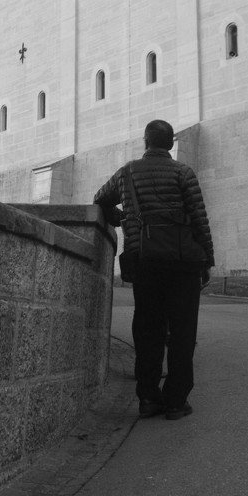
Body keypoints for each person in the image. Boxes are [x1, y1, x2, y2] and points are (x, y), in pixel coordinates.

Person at [93, 119, 214, 421]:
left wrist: (119, 217)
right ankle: (176, 400)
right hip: (183, 261)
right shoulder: (184, 173)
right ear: (171, 143)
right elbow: (199, 219)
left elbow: (99, 200)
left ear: (145, 142)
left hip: (144, 258)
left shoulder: (127, 173)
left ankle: (148, 397)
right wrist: (207, 258)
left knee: (148, 327)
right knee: (183, 330)